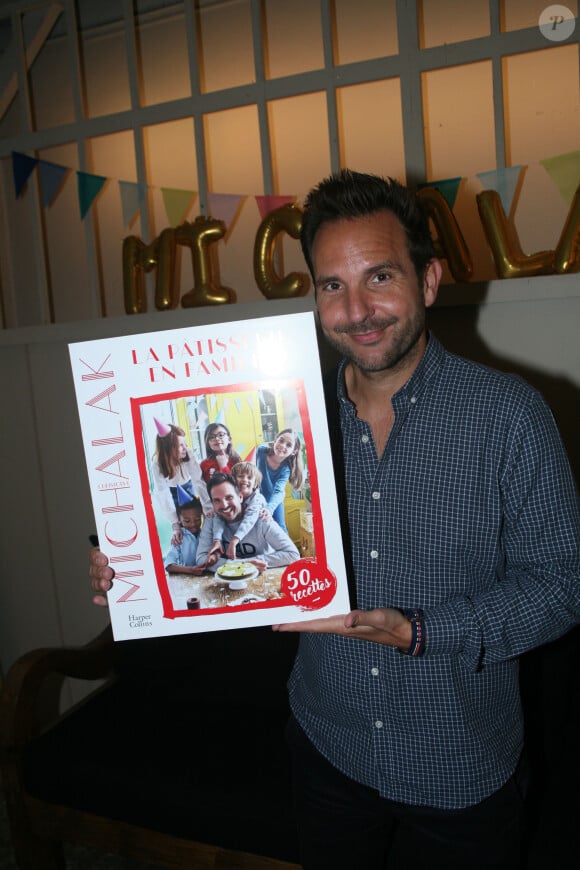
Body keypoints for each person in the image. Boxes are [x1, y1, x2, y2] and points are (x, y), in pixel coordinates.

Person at [89, 169, 580, 869]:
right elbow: (241, 549)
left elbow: (564, 583)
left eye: (380, 277)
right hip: (326, 749)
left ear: (430, 280)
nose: (358, 309)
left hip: (461, 769)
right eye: (332, 286)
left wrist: (422, 632)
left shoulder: (510, 416)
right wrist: (136, 570)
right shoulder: (292, 425)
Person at [198, 472, 299, 571]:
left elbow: (292, 554)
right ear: (212, 504)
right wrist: (242, 564)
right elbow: (201, 559)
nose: (224, 505)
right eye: (217, 500)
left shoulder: (260, 517)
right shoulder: (211, 520)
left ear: (240, 497)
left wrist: (252, 562)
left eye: (229, 497)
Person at [150, 417, 211, 543]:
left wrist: (207, 507)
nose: (185, 448)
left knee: (195, 517)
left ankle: (203, 540)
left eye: (185, 444)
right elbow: (162, 493)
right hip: (171, 492)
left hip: (189, 486)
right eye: (180, 445)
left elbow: (198, 481)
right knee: (183, 523)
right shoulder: (157, 463)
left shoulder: (187, 453)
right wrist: (175, 524)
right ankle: (186, 543)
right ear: (169, 448)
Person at [210, 461, 269, 561]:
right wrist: (217, 539)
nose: (245, 480)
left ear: (255, 484)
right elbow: (219, 517)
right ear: (233, 481)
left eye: (249, 477)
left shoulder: (257, 499)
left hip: (260, 549)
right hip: (241, 549)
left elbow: (249, 519)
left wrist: (234, 540)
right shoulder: (229, 498)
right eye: (241, 476)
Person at [255, 429, 304, 532]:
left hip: (274, 500)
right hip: (257, 497)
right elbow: (251, 471)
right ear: (275, 439)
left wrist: (269, 508)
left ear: (294, 452)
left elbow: (278, 491)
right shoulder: (261, 451)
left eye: (288, 445)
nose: (283, 445)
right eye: (281, 440)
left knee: (280, 528)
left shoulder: (286, 468)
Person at [163, 488, 204, 575]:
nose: (193, 524)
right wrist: (191, 570)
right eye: (187, 521)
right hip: (186, 578)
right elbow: (169, 565)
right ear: (179, 519)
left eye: (197, 519)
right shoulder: (179, 537)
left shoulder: (205, 534)